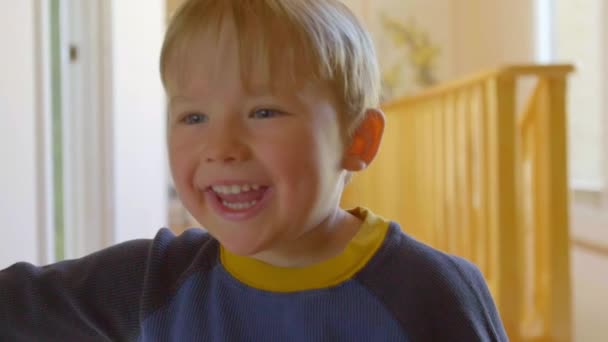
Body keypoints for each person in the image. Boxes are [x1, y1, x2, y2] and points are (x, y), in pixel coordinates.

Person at [0, 0, 508, 340]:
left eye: (264, 112)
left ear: (358, 139)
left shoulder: (434, 292)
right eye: (192, 117)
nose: (220, 147)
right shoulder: (149, 285)